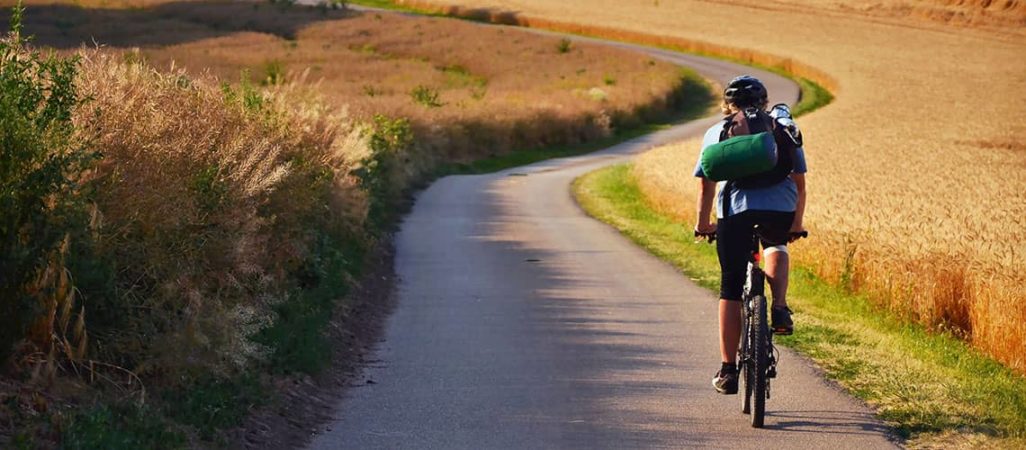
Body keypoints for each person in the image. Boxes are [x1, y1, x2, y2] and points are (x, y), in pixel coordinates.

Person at [692, 75, 807, 395]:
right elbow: (799, 183)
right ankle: (780, 306)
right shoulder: (782, 126)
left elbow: (706, 184)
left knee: (730, 285)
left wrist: (703, 224)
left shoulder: (716, 132)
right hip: (779, 208)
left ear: (728, 105)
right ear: (764, 101)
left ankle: (728, 371)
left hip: (734, 212)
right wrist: (796, 223)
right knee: (776, 245)